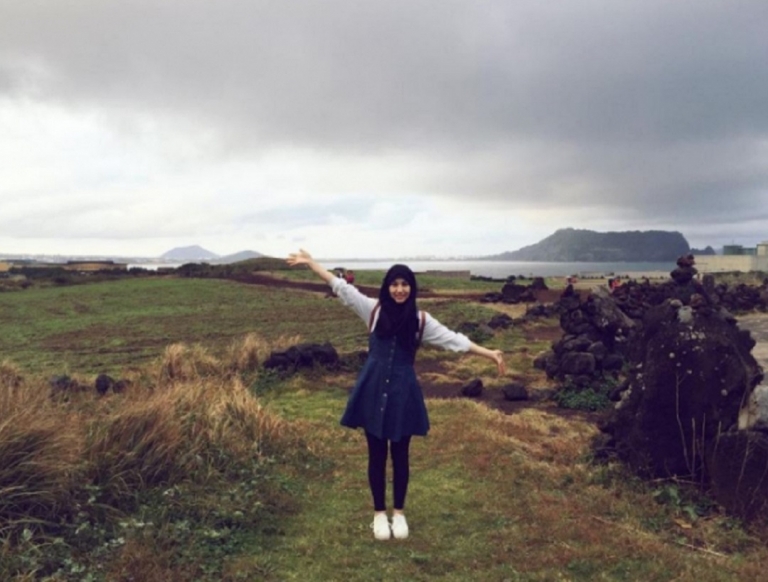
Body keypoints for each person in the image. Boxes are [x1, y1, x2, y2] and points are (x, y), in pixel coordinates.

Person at [286, 249, 505, 541]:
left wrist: (489, 353)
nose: (399, 290)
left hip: (403, 391)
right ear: (387, 286)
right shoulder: (373, 310)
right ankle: (379, 514)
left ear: (411, 288)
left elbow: (454, 340)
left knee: (401, 455)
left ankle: (399, 513)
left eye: (405, 285)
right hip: (373, 388)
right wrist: (313, 264)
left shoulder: (421, 321)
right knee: (376, 454)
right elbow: (342, 288)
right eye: (394, 284)